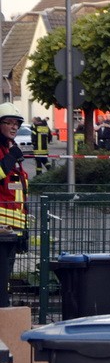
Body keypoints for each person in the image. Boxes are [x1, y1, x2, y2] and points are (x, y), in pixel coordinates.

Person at [0, 104, 28, 308]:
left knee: (5, 275)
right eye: (8, 122)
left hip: (11, 229)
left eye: (16, 123)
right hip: (0, 228)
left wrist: (23, 231)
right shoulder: (6, 152)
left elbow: (20, 192)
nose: (13, 127)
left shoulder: (10, 148)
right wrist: (10, 158)